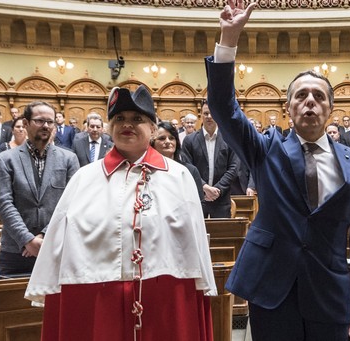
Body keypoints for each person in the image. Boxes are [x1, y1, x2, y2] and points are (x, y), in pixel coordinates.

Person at [206, 0, 350, 340]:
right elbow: (224, 107)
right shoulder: (265, 148)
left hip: (330, 292)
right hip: (272, 288)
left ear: (330, 110)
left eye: (319, 97)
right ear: (289, 109)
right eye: (301, 95)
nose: (310, 102)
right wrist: (229, 39)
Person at [26, 86, 216, 340]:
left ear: (152, 128)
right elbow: (57, 245)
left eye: (137, 119)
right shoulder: (85, 178)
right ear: (108, 127)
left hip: (166, 295)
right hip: (97, 296)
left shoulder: (178, 175)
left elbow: (195, 242)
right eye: (120, 119)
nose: (128, 125)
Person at [0, 101, 79, 276]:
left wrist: (43, 237)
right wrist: (27, 240)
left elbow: (72, 203)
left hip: (56, 247)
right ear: (25, 123)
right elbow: (4, 204)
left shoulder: (69, 159)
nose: (45, 126)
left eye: (50, 122)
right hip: (16, 251)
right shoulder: (5, 159)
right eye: (39, 121)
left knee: (55, 304)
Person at [181, 101, 239, 218]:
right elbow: (187, 167)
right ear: (201, 115)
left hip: (221, 199)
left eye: (212, 113)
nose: (209, 117)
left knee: (221, 235)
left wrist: (217, 189)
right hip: (197, 199)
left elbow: (234, 168)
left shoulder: (229, 139)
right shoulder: (189, 140)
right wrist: (204, 187)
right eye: (206, 113)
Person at [152, 121, 204, 202]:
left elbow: (200, 202)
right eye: (162, 138)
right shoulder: (148, 170)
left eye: (172, 138)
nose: (168, 141)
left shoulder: (190, 170)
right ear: (153, 143)